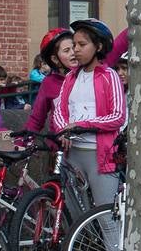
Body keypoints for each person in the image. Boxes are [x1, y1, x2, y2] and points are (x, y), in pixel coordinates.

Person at [51, 19, 128, 209]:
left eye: (82, 44)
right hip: (72, 154)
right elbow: (60, 109)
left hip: (100, 155)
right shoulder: (70, 77)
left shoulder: (110, 76)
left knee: (105, 215)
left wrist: (81, 125)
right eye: (74, 44)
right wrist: (63, 130)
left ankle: (114, 241)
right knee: (74, 216)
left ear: (99, 46)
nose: (75, 49)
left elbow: (118, 116)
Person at [23, 28, 77, 138]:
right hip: (59, 144)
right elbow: (37, 119)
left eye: (74, 47)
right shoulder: (49, 83)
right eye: (66, 50)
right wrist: (24, 140)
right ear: (55, 59)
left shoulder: (87, 76)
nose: (73, 53)